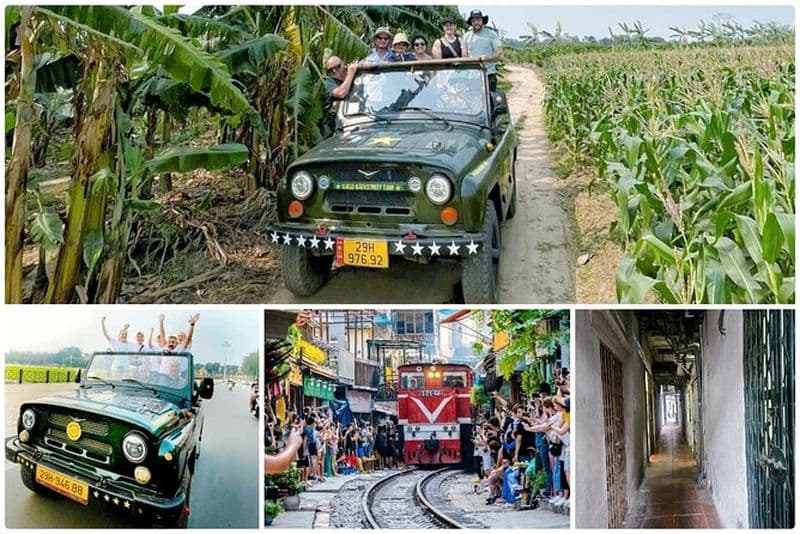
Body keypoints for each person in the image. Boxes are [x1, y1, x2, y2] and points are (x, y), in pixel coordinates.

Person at [462, 10, 503, 91]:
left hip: (489, 73)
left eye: (478, 20)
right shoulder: (466, 36)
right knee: (474, 97)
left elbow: (499, 53)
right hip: (472, 76)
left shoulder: (491, 34)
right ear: (471, 22)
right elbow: (464, 56)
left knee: (490, 97)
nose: (476, 22)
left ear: (482, 21)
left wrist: (487, 58)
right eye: (474, 20)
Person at [321, 56, 358, 136]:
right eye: (330, 70)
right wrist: (350, 74)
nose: (335, 71)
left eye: (337, 67)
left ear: (344, 64)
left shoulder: (353, 79)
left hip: (354, 122)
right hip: (334, 130)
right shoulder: (328, 83)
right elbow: (341, 93)